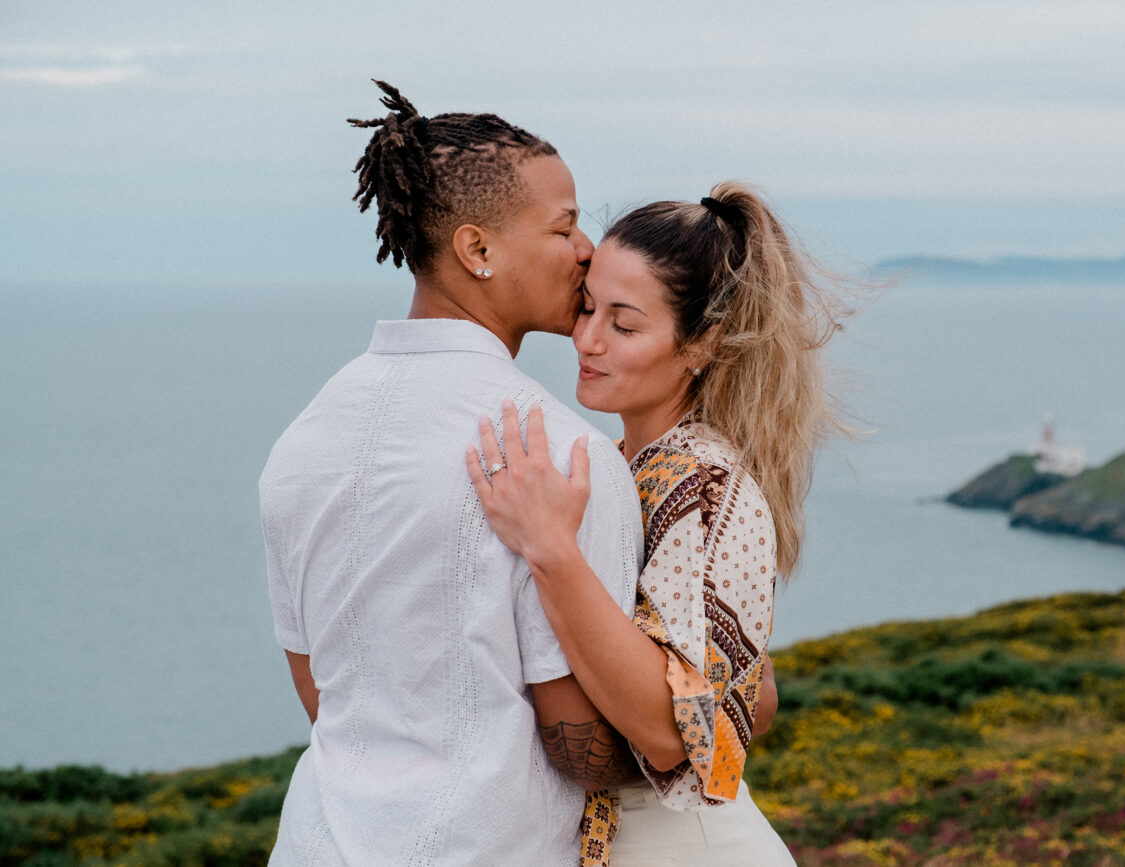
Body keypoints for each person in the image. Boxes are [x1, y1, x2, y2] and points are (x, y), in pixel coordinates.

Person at [258, 81, 645, 865]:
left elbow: (321, 695)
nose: (587, 250)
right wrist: (709, 710)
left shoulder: (299, 442)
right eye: (565, 226)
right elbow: (584, 746)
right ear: (478, 250)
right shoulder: (561, 455)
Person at [468, 183, 845, 865]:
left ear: (701, 344)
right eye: (586, 309)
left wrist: (551, 549)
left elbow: (676, 735)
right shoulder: (627, 466)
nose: (587, 338)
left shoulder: (704, 482)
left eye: (624, 322)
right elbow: (756, 695)